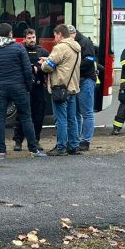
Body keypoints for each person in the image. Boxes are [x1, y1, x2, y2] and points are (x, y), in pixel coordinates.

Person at [0, 23, 48, 158]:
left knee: (0, 119)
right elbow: (27, 70)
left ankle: (1, 151)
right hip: (19, 87)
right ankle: (33, 149)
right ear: (11, 33)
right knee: (26, 117)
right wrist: (28, 87)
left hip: (1, 88)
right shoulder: (19, 48)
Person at [41, 24, 82, 156]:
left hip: (60, 88)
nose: (54, 38)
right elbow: (66, 64)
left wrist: (43, 64)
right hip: (73, 87)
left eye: (55, 35)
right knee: (72, 118)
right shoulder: (76, 48)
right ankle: (74, 145)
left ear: (60, 34)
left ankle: (61, 147)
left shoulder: (59, 48)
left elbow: (49, 67)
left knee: (61, 119)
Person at [13, 28, 49, 151]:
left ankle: (36, 140)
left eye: (33, 37)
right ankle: (18, 141)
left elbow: (49, 65)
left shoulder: (42, 51)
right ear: (24, 39)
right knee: (22, 115)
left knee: (38, 115)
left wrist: (39, 67)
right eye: (29, 38)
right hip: (24, 87)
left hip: (39, 87)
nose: (32, 40)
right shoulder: (19, 50)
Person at [69, 25, 98, 151]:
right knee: (76, 113)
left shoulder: (85, 42)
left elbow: (90, 59)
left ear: (73, 33)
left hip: (86, 79)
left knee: (86, 112)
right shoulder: (75, 41)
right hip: (77, 80)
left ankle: (85, 141)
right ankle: (77, 139)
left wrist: (73, 66)